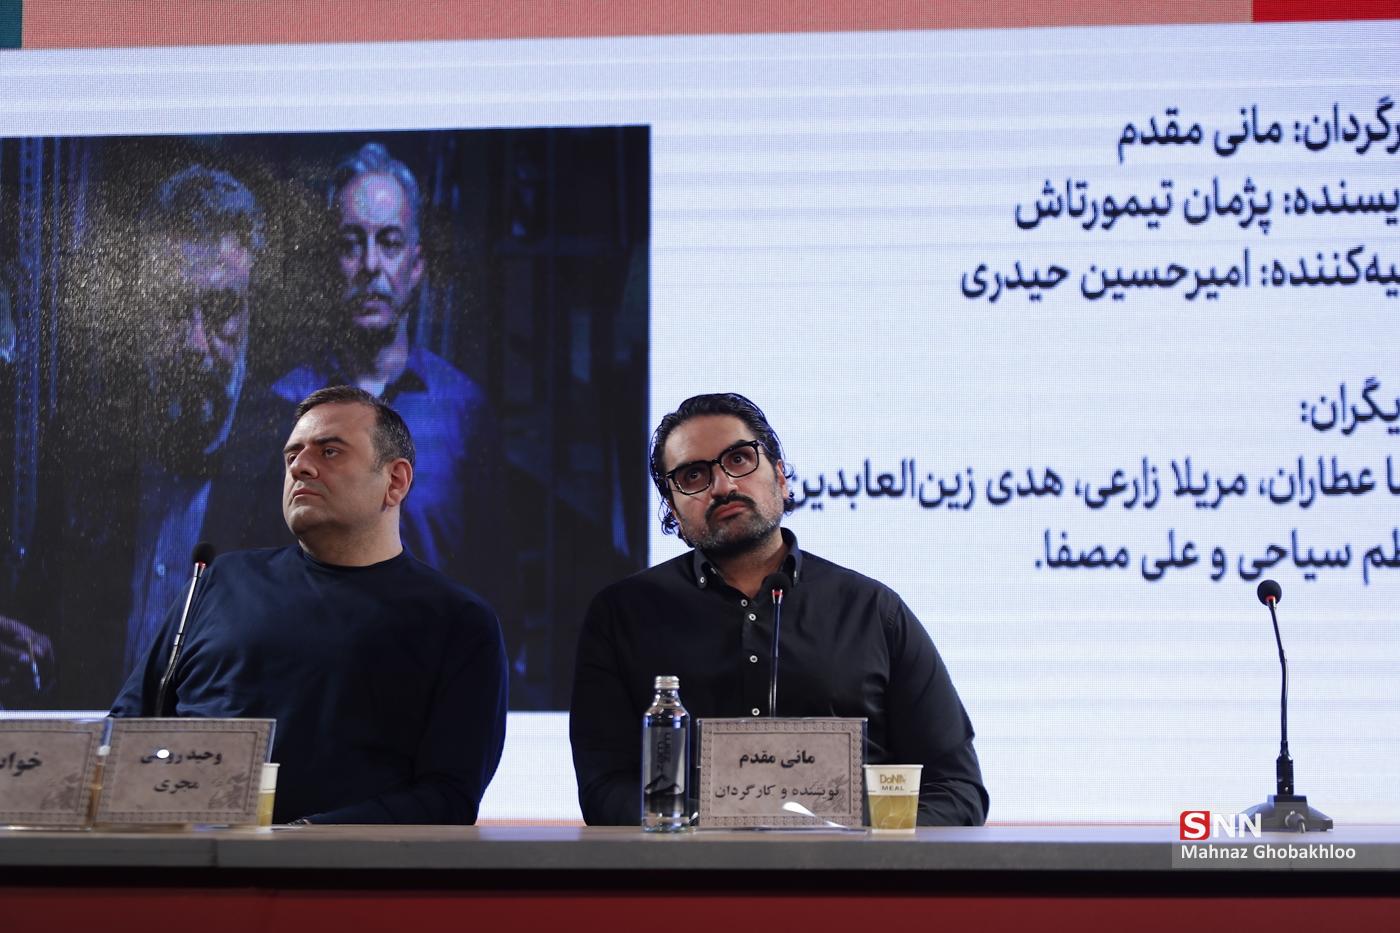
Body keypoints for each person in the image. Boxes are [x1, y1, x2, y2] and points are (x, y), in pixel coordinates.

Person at [569, 393, 988, 826]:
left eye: (739, 459)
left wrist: (862, 843)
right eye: (694, 475)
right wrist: (706, 831)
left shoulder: (874, 612)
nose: (723, 486)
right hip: (691, 869)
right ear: (672, 510)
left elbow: (956, 789)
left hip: (853, 869)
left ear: (781, 477)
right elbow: (605, 790)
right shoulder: (622, 615)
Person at [113, 386, 509, 824]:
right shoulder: (218, 582)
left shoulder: (457, 622)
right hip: (185, 858)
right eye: (292, 455)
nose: (300, 467)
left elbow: (448, 798)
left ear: (395, 481)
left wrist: (299, 839)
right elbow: (128, 726)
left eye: (330, 451)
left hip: (338, 867)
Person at [1, 165, 287, 708]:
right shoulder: (85, 441)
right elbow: (37, 625)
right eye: (175, 310)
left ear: (253, 310)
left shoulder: (295, 460)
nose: (197, 345)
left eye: (222, 311)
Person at [271, 143, 505, 599]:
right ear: (329, 264)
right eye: (351, 244)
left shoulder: (464, 411)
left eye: (390, 242)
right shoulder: (283, 405)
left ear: (416, 265)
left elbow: (495, 585)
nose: (371, 265)